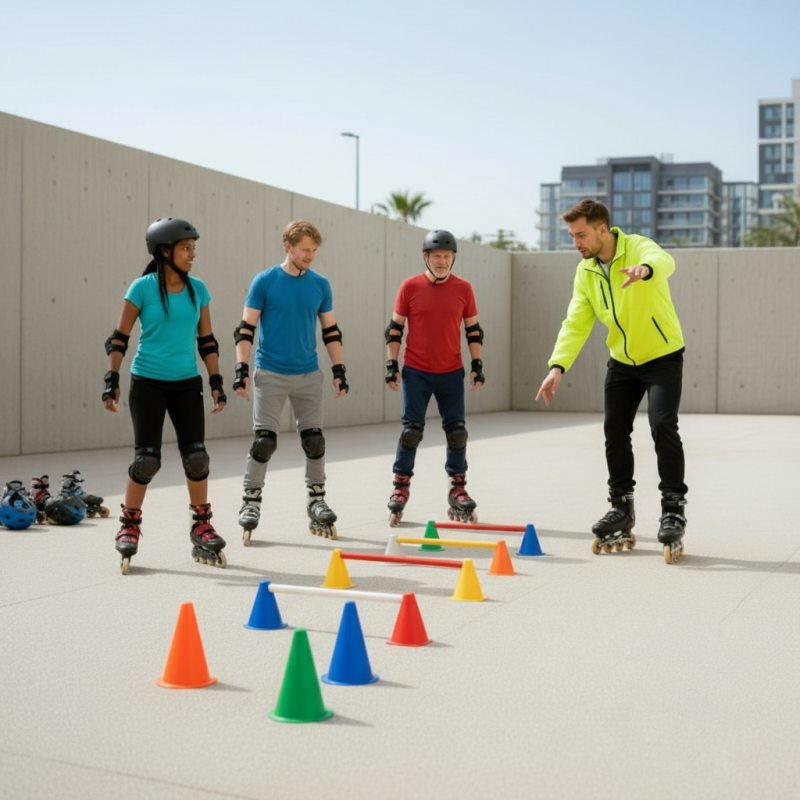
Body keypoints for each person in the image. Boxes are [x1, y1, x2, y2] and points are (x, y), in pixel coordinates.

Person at [535, 199, 688, 563]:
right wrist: (557, 366)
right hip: (622, 361)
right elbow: (576, 321)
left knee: (662, 425)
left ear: (603, 230)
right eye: (572, 236)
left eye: (581, 234)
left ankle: (673, 510)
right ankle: (621, 507)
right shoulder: (585, 271)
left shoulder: (638, 246)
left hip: (663, 355)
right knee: (613, 429)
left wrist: (645, 270)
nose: (576, 243)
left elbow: (666, 261)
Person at [102, 217, 228, 574]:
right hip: (148, 382)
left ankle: (201, 524)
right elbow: (119, 337)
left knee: (197, 458)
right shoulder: (141, 288)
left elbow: (207, 340)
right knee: (147, 460)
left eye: (194, 249)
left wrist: (216, 380)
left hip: (186, 382)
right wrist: (111, 378)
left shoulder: (198, 290)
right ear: (165, 251)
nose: (192, 255)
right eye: (186, 249)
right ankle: (129, 524)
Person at [232, 220, 348, 544]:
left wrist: (339, 371)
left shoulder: (321, 284)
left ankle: (316, 501)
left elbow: (331, 331)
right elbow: (245, 329)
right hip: (270, 372)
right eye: (305, 250)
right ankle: (250, 503)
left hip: (309, 373)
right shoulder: (265, 281)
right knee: (264, 442)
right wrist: (241, 370)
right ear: (289, 246)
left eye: (314, 250)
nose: (310, 256)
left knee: (314, 441)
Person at [385, 229, 485, 525]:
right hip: (416, 371)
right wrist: (392, 364)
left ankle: (458, 489)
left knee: (457, 432)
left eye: (447, 256)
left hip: (451, 371)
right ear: (425, 257)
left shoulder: (464, 288)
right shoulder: (410, 286)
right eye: (437, 256)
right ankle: (400, 487)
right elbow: (394, 329)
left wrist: (477, 363)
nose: (442, 261)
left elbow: (474, 330)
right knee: (411, 431)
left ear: (453, 259)